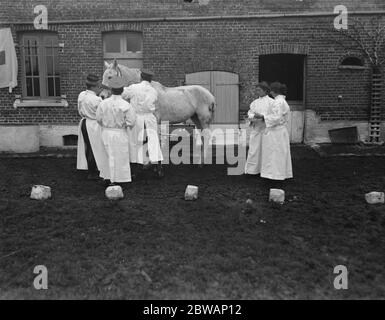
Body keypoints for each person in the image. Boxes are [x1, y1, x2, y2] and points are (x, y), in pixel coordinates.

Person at [122, 69, 164, 178]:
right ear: (151, 79)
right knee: (153, 141)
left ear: (140, 77)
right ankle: (159, 168)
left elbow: (122, 94)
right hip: (150, 117)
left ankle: (135, 170)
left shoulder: (134, 88)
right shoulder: (154, 90)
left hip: (137, 117)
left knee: (135, 142)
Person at [96, 76, 137, 185]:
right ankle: (119, 178)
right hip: (120, 132)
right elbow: (132, 121)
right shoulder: (126, 105)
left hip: (106, 132)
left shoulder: (103, 103)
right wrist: (124, 124)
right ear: (122, 90)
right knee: (120, 156)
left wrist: (106, 125)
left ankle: (108, 177)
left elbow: (98, 119)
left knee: (107, 155)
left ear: (111, 90)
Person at [255, 82, 293, 184]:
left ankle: (275, 176)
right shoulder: (280, 101)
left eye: (271, 90)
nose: (270, 92)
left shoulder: (278, 102)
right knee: (277, 153)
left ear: (273, 91)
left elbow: (276, 117)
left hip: (276, 132)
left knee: (275, 154)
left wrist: (263, 117)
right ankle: (277, 174)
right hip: (278, 131)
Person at [76, 74, 108, 180]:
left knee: (88, 147)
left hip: (84, 122)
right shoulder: (96, 99)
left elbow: (79, 109)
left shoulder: (81, 95)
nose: (99, 88)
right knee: (96, 147)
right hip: (94, 124)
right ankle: (94, 171)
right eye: (98, 86)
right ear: (94, 87)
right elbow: (102, 114)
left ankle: (91, 169)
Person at [244, 82, 275, 175]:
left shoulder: (272, 102)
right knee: (254, 150)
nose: (257, 92)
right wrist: (252, 117)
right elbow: (250, 112)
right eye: (256, 90)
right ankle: (252, 171)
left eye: (259, 90)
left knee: (266, 151)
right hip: (256, 129)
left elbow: (274, 115)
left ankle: (265, 171)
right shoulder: (254, 103)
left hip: (266, 130)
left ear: (265, 91)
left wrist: (262, 116)